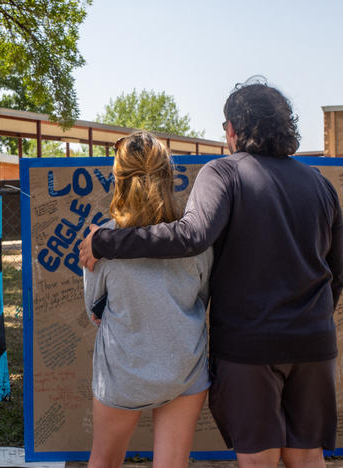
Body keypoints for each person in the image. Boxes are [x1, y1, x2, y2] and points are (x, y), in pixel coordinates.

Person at [80, 78, 343, 468]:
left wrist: (107, 242)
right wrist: (310, 320)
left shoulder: (223, 173)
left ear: (234, 129)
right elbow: (336, 275)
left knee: (259, 458)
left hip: (249, 346)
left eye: (225, 127)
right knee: (307, 455)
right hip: (315, 343)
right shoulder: (321, 186)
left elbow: (192, 235)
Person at [84, 131, 212, 468]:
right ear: (169, 177)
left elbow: (94, 310)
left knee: (104, 460)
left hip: (123, 370)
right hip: (184, 368)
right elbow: (202, 297)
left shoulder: (101, 240)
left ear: (119, 180)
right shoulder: (196, 240)